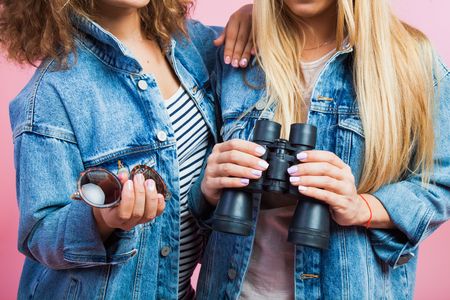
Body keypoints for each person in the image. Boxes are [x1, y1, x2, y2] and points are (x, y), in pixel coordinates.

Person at [197, 0, 450, 299]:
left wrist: (362, 207)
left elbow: (440, 184)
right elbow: (191, 180)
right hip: (233, 289)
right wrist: (207, 192)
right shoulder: (237, 53)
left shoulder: (410, 60)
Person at [1, 0, 254, 299]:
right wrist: (102, 220)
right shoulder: (50, 93)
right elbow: (38, 236)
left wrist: (256, 14)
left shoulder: (195, 44)